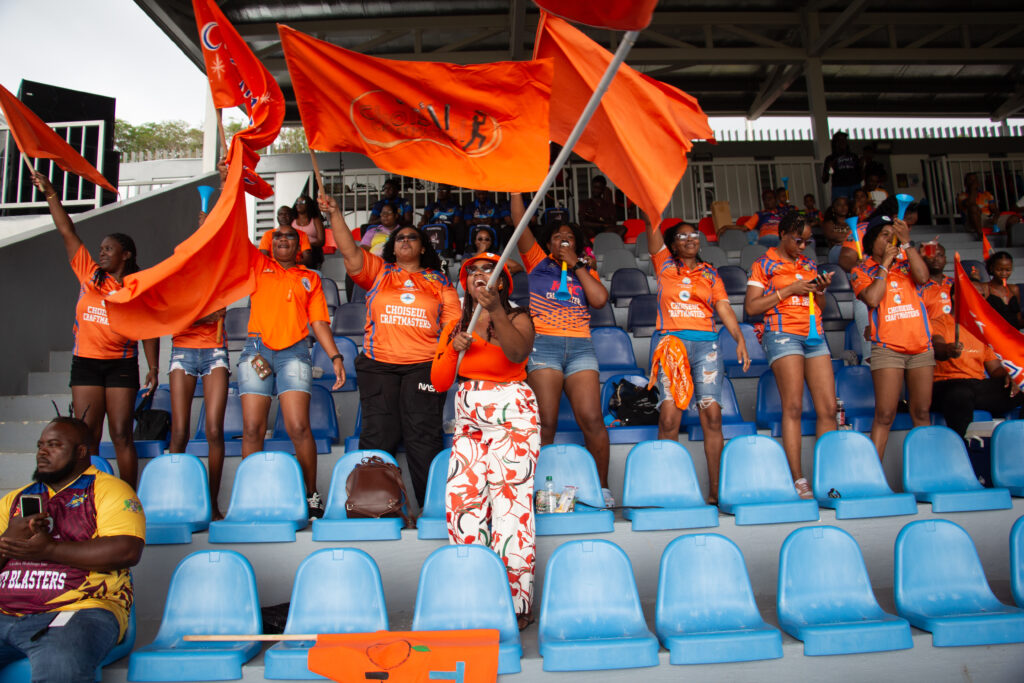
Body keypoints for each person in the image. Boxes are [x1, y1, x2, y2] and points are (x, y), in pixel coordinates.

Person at [320, 194, 459, 508]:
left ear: (423, 248)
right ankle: (374, 508)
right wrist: (335, 214)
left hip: (423, 366)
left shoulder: (439, 282)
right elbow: (349, 250)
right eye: (400, 238)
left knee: (423, 437)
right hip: (378, 365)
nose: (405, 241)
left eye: (412, 237)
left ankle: (432, 508)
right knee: (379, 435)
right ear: (392, 247)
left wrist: (444, 364)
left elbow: (451, 326)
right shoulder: (379, 271)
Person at [31, 172, 159, 490]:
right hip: (86, 363)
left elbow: (149, 330)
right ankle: (85, 497)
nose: (101, 252)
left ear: (126, 254)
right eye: (100, 248)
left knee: (121, 434)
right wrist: (50, 194)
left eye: (109, 248)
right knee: (87, 436)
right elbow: (67, 230)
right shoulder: (89, 274)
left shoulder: (136, 287)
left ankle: (128, 498)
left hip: (121, 365)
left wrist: (153, 367)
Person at [431, 252, 538, 630]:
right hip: (468, 419)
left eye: (488, 269)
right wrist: (452, 350)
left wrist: (494, 311)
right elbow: (440, 382)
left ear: (502, 282)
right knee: (462, 507)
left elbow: (517, 353)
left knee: (511, 510)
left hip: (513, 415)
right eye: (472, 270)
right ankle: (474, 597)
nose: (479, 274)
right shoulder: (455, 324)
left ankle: (515, 603)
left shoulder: (518, 316)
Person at [0, 417, 145, 682]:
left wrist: (49, 550)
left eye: (54, 445)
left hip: (78, 610)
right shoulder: (14, 500)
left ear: (80, 451)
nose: (42, 452)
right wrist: (9, 540)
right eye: (40, 445)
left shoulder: (110, 490)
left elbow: (127, 551)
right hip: (5, 612)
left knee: (59, 661)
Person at [510, 193, 615, 506]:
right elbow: (520, 222)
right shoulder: (537, 262)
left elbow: (599, 300)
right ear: (548, 244)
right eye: (557, 237)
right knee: (546, 421)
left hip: (581, 348)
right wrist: (516, 191)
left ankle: (602, 489)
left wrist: (577, 264)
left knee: (592, 419)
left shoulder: (585, 269)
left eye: (569, 237)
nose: (563, 240)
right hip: (544, 346)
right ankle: (539, 492)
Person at [239, 224, 347, 518]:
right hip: (256, 351)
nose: (283, 239)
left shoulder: (310, 278)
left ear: (300, 246)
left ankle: (311, 495)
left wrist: (335, 356)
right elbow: (233, 238)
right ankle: (251, 497)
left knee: (298, 427)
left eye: (290, 236)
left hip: (295, 352)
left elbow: (319, 322)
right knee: (252, 428)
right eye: (277, 236)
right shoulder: (257, 266)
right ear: (270, 243)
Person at [647, 219, 750, 504]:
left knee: (713, 415)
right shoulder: (664, 265)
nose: (690, 239)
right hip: (672, 345)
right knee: (669, 418)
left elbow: (723, 307)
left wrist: (739, 338)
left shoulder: (710, 273)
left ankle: (716, 492)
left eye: (694, 234)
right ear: (672, 244)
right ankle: (668, 492)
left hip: (707, 347)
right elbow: (652, 232)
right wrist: (650, 208)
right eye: (682, 236)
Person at [745, 212, 837, 498]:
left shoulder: (808, 264)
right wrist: (789, 290)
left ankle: (828, 478)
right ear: (782, 234)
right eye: (798, 240)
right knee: (793, 407)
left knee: (828, 409)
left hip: (814, 335)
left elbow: (819, 306)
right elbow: (751, 307)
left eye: (807, 241)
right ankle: (798, 478)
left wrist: (820, 290)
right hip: (782, 334)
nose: (803, 246)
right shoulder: (763, 264)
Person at [851, 216, 933, 459]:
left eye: (893, 236)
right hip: (888, 348)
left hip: (921, 346)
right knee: (885, 414)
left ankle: (926, 470)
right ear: (872, 240)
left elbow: (923, 278)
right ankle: (874, 473)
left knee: (922, 413)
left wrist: (907, 244)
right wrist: (885, 265)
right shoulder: (860, 270)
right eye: (884, 235)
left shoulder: (907, 262)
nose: (890, 240)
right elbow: (872, 299)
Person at [980, 252, 1022, 329]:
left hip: (1013, 334)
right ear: (991, 268)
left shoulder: (1014, 289)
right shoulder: (985, 288)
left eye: (1008, 270)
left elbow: (1018, 320)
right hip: (993, 333)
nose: (1004, 273)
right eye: (999, 270)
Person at [419, 184, 463, 254]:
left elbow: (456, 222)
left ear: (449, 193)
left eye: (444, 190)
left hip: (449, 229)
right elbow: (426, 216)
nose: (440, 192)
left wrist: (444, 225)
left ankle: (457, 253)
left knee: (459, 228)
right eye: (439, 190)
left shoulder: (455, 206)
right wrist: (422, 221)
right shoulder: (432, 205)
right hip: (433, 228)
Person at [821, 131, 861, 202]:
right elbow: (824, 179)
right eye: (839, 140)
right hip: (839, 188)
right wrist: (830, 168)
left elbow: (860, 174)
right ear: (835, 143)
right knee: (840, 206)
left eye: (844, 140)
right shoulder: (830, 158)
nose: (842, 142)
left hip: (855, 186)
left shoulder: (854, 156)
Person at [957, 172, 997, 238]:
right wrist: (973, 190)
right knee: (973, 208)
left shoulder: (986, 194)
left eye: (975, 180)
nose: (973, 182)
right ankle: (980, 234)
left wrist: (996, 217)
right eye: (971, 180)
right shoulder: (962, 196)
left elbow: (994, 209)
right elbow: (970, 203)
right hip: (971, 222)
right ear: (965, 184)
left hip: (987, 219)